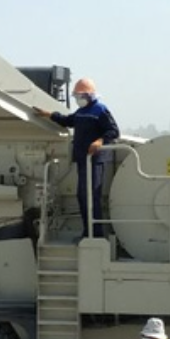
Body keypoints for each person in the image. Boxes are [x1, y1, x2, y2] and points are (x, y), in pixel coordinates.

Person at [33, 77, 119, 239]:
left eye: (80, 96)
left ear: (89, 96)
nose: (78, 100)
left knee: (91, 196)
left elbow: (113, 131)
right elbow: (68, 120)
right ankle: (88, 231)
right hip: (82, 160)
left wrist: (99, 141)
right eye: (76, 96)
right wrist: (49, 115)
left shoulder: (100, 110)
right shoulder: (81, 113)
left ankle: (96, 234)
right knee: (82, 196)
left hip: (95, 160)